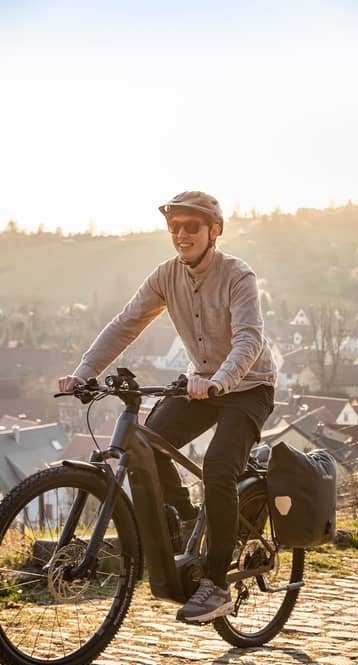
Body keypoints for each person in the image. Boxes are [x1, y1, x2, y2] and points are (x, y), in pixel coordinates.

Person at [57, 190, 276, 624]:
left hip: (248, 386)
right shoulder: (165, 276)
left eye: (191, 226)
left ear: (214, 231)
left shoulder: (238, 275)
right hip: (201, 384)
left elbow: (249, 339)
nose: (180, 234)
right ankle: (192, 523)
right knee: (150, 445)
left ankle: (215, 584)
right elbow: (126, 323)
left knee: (218, 467)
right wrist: (84, 372)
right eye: (173, 226)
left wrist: (220, 382)